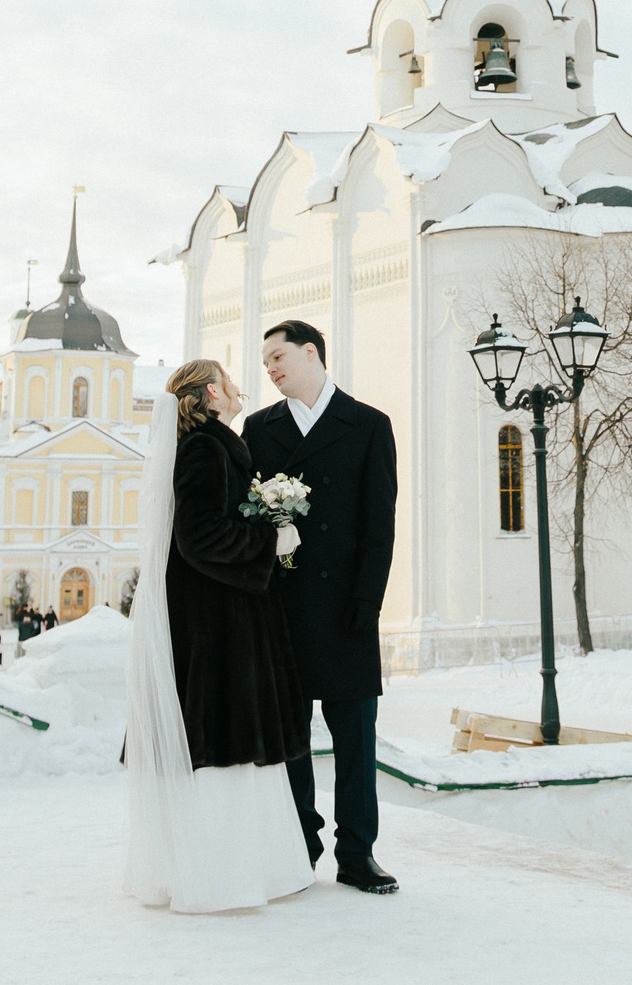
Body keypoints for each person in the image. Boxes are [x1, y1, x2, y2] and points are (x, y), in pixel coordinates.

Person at [123, 357, 313, 914]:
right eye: (229, 380)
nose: (238, 387)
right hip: (216, 627)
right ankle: (218, 876)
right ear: (212, 392)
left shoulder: (211, 443)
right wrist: (267, 542)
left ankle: (236, 869)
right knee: (225, 746)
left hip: (222, 619)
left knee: (229, 746)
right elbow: (199, 535)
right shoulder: (206, 448)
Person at [244, 320, 399, 896]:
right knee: (290, 739)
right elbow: (250, 516)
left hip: (347, 609)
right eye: (265, 363)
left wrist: (367, 602)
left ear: (311, 353)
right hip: (281, 608)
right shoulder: (259, 428)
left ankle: (358, 853)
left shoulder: (367, 425)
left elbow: (379, 524)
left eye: (278, 356)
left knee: (356, 739)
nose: (271, 369)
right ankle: (298, 846)